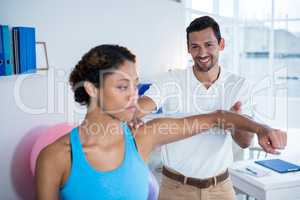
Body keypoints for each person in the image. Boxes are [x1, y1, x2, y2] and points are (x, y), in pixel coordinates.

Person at [35, 44, 286, 200]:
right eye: (122, 86)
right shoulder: (56, 157)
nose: (134, 95)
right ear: (91, 88)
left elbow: (217, 117)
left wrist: (262, 128)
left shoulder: (144, 137)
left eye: (135, 85)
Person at [134, 16, 280, 199]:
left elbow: (244, 142)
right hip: (175, 188)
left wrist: (234, 123)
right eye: (195, 46)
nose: (202, 52)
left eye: (209, 44)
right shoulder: (171, 79)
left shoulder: (238, 85)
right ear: (188, 48)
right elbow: (143, 105)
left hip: (220, 188)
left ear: (221, 44)